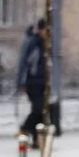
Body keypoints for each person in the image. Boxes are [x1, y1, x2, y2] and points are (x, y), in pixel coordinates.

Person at [15, 19, 60, 148]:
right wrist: (21, 82)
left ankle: (37, 139)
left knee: (42, 111)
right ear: (40, 29)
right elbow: (23, 63)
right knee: (38, 108)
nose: (48, 33)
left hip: (43, 82)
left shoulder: (45, 43)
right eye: (46, 30)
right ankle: (24, 128)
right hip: (32, 82)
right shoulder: (32, 42)